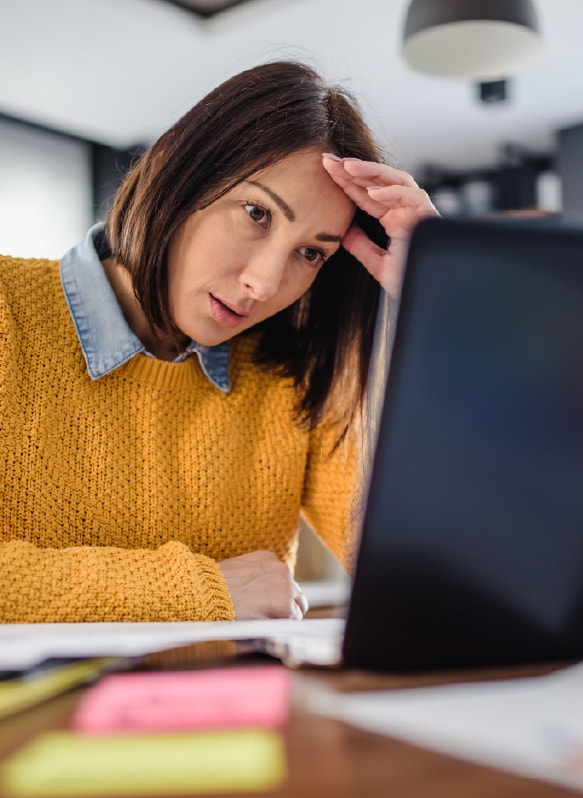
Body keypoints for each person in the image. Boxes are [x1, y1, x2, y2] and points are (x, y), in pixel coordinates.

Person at [0, 60, 438, 623]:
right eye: (256, 213)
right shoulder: (9, 312)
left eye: (311, 253)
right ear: (172, 169)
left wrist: (442, 303)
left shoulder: (295, 373)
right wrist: (200, 590)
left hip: (245, 712)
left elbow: (432, 578)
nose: (264, 283)